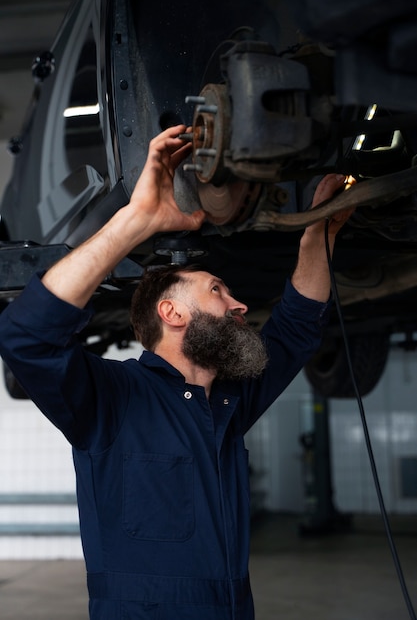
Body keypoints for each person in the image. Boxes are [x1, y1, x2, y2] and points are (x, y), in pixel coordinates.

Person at [0, 125, 352, 620]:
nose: (239, 304)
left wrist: (321, 234)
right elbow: (24, 337)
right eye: (218, 290)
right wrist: (136, 221)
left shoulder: (228, 402)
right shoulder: (113, 400)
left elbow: (294, 331)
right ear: (172, 313)